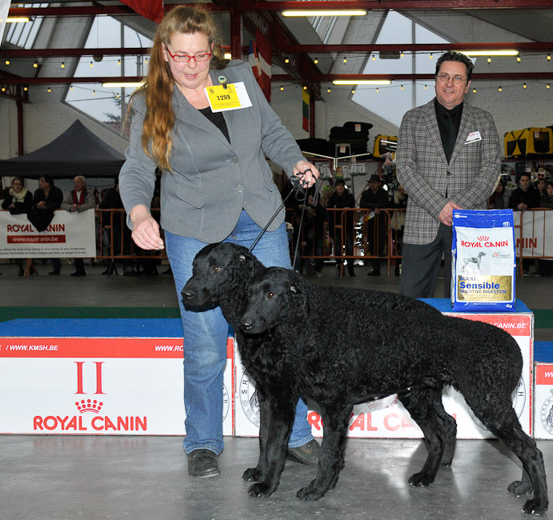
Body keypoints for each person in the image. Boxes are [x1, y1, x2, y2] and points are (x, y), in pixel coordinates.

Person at [118, 5, 320, 479]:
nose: (191, 65)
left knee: (280, 331)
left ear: (213, 51)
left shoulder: (239, 83)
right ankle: (203, 442)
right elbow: (137, 167)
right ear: (165, 53)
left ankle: (293, 436)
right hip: (196, 229)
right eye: (181, 56)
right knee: (206, 340)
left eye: (200, 55)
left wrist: (294, 162)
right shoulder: (152, 102)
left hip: (260, 216)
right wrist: (139, 211)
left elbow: (271, 133)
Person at [396, 51, 501, 298]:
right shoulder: (412, 119)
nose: (449, 83)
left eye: (457, 78)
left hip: (470, 224)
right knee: (411, 305)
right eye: (444, 76)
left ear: (468, 85)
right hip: (421, 223)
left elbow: (491, 169)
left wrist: (458, 208)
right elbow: (404, 169)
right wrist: (440, 206)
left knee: (469, 301)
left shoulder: (484, 121)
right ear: (435, 80)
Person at [62, 175, 96, 276]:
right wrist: (70, 207)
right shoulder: (70, 193)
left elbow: (92, 205)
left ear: (83, 183)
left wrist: (78, 207)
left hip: (85, 223)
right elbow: (63, 204)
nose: (76, 184)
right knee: (75, 244)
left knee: (84, 244)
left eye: (78, 182)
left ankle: (87, 265)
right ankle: (79, 268)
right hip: (73, 223)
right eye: (75, 182)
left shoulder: (89, 193)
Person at [30, 175, 64, 274]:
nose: (39, 182)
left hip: (52, 218)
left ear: (48, 182)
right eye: (39, 180)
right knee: (34, 242)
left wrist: (46, 207)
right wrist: (37, 205)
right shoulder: (37, 192)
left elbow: (57, 203)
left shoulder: (57, 191)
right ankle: (31, 265)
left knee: (53, 242)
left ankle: (56, 267)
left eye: (42, 181)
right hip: (39, 220)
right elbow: (33, 203)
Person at [2, 177, 34, 276]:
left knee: (29, 244)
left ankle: (31, 266)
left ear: (22, 185)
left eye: (19, 184)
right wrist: (10, 197)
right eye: (15, 184)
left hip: (26, 222)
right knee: (16, 245)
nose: (17, 186)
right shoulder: (10, 194)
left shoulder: (28, 194)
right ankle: (20, 267)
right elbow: (4, 205)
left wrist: (16, 204)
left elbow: (28, 205)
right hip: (14, 223)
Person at [359, 174, 390, 276]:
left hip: (381, 222)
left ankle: (377, 267)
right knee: (372, 245)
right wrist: (374, 207)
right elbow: (362, 203)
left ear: (379, 184)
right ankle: (376, 268)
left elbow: (385, 203)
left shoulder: (384, 193)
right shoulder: (366, 193)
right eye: (371, 183)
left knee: (380, 245)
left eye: (374, 183)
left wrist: (375, 207)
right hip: (370, 223)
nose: (372, 185)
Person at [327, 178, 356, 277]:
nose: (340, 187)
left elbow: (350, 205)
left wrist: (337, 207)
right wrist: (343, 208)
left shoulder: (349, 196)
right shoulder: (332, 197)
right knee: (338, 249)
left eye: (341, 186)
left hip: (347, 226)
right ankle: (340, 269)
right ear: (335, 187)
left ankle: (351, 269)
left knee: (349, 248)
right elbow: (330, 209)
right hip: (336, 227)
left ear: (344, 187)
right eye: (338, 186)